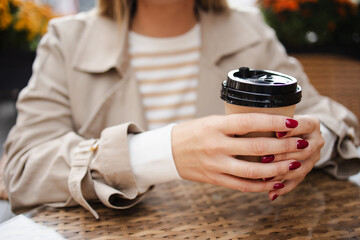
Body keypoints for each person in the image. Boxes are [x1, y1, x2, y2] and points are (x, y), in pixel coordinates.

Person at [3, 0, 360, 219]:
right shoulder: (67, 40)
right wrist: (163, 152)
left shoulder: (249, 29)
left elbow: (328, 118)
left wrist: (314, 142)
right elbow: (20, 169)